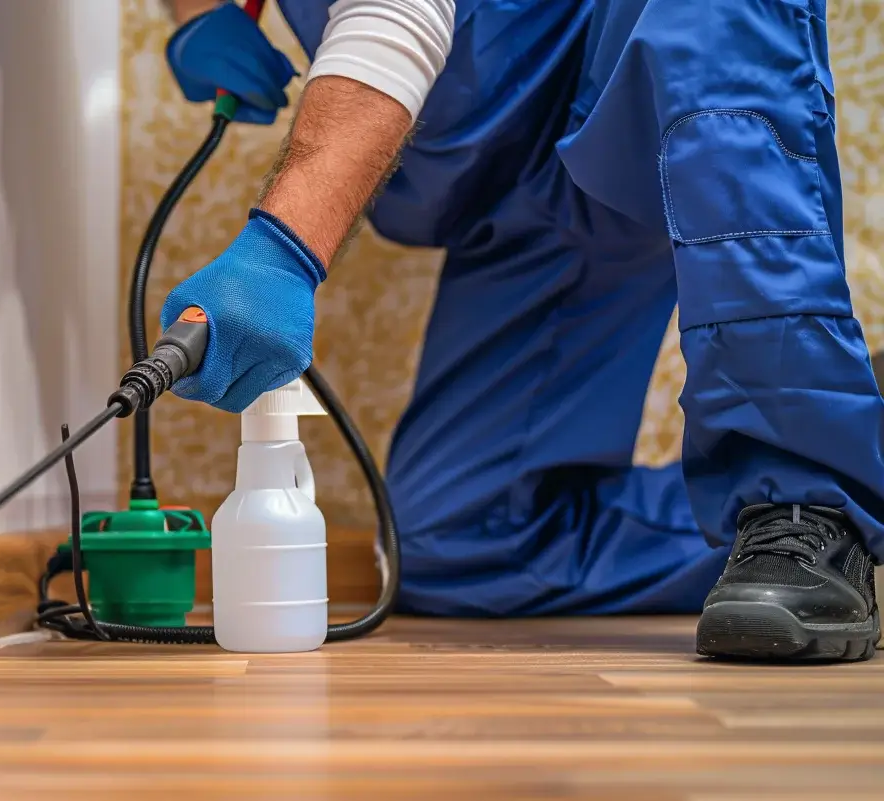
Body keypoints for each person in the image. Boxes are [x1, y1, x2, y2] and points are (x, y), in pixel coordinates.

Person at [159, 0, 884, 661]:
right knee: (459, 541)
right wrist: (196, 12)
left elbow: (399, 10)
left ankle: (805, 503)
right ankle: (868, 443)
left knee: (708, 23)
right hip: (513, 189)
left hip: (637, 86)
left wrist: (284, 248)